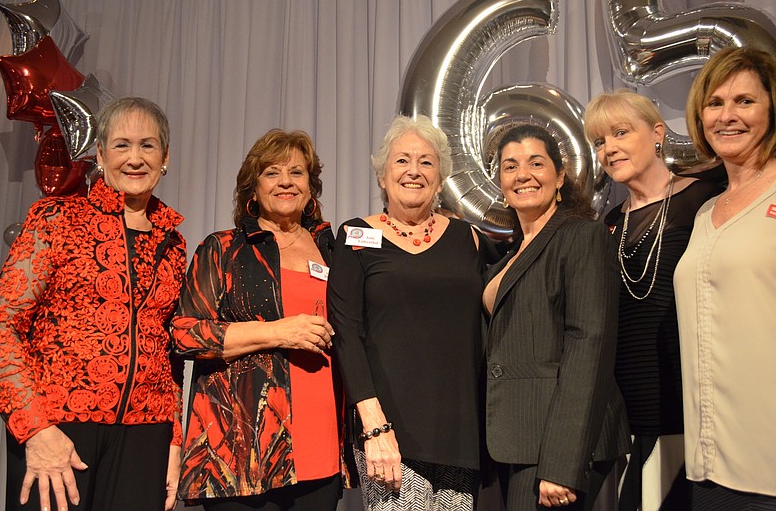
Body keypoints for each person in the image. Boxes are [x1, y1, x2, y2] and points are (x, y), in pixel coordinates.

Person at [0, 96, 186, 511]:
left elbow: (168, 352)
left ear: (165, 157)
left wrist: (173, 440)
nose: (135, 158)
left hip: (146, 436)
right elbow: (0, 324)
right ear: (99, 153)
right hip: (59, 428)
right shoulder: (57, 218)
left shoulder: (172, 242)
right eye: (121, 145)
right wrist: (35, 428)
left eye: (148, 146)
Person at [674, 46, 776, 509]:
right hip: (711, 462)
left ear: (774, 109)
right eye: (715, 103)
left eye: (744, 101)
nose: (727, 115)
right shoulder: (706, 211)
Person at [171, 129, 342, 510]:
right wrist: (278, 332)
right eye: (272, 172)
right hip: (240, 451)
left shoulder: (333, 250)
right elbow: (185, 334)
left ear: (310, 187)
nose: (285, 182)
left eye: (296, 172)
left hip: (321, 444)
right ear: (253, 188)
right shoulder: (223, 248)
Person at [328, 114, 484, 511]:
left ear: (440, 178)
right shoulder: (355, 236)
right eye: (402, 160)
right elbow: (346, 331)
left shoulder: (468, 238)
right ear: (382, 177)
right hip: (388, 433)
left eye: (426, 161)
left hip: (459, 432)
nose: (414, 170)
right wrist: (373, 425)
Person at [585, 91, 721, 510]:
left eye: (620, 133)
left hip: (694, 408)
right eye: (600, 141)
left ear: (657, 133)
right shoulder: (612, 222)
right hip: (632, 417)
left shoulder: (705, 199)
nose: (609, 149)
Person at [482, 124, 629, 511]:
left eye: (536, 163)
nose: (523, 175)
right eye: (510, 166)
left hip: (556, 447)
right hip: (515, 439)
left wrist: (563, 463)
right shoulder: (509, 252)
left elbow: (589, 348)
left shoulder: (583, 236)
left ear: (560, 176)